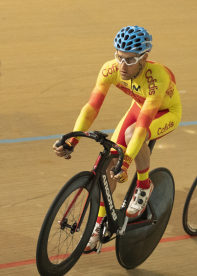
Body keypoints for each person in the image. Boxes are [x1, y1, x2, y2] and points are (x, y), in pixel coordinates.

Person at [53, 25, 182, 252]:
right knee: (109, 163)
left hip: (164, 113)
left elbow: (142, 126)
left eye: (130, 60)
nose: (122, 66)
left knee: (132, 137)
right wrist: (72, 140)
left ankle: (143, 186)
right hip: (139, 107)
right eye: (120, 57)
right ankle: (99, 224)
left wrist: (127, 163)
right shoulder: (110, 69)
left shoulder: (157, 78)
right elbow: (92, 107)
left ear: (144, 59)